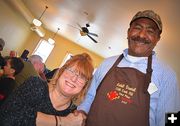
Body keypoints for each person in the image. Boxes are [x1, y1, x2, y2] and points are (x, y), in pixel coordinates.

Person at [77, 10, 180, 126]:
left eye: (150, 31)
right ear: (128, 32)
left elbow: (169, 119)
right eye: (137, 27)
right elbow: (89, 98)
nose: (141, 35)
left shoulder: (167, 75)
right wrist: (80, 114)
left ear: (157, 39)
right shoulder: (107, 63)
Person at [0, 53, 94, 126]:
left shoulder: (73, 115)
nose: (74, 79)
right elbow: (7, 117)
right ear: (61, 71)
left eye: (82, 77)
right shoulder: (35, 85)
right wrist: (62, 122)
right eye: (71, 70)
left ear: (85, 86)